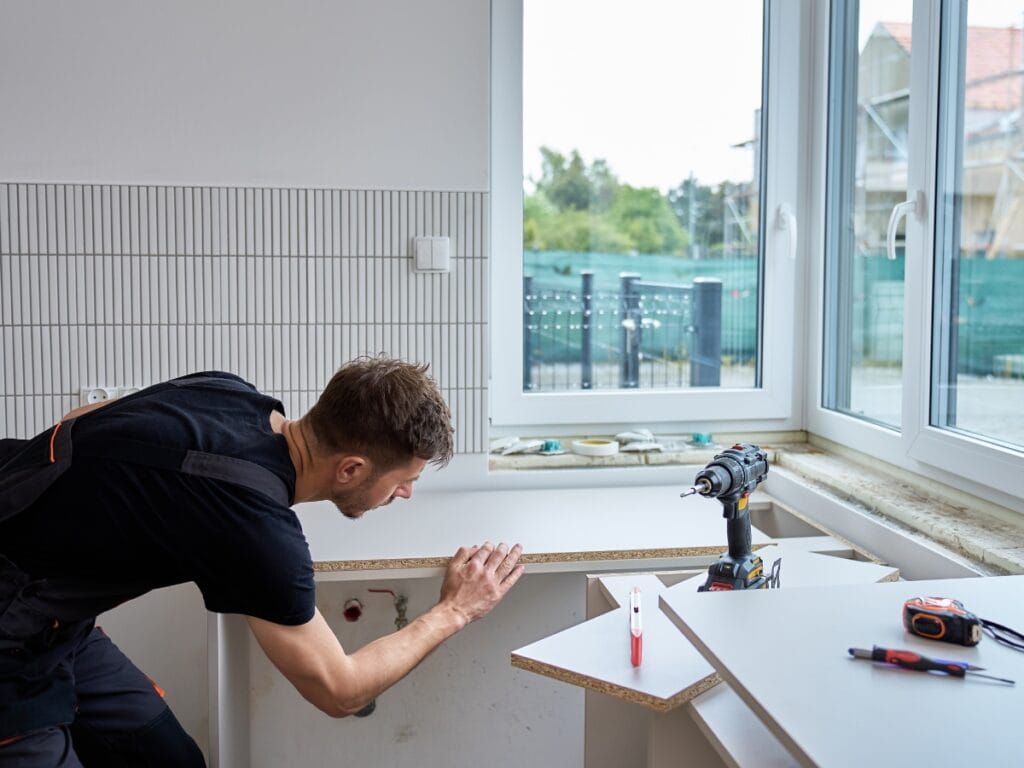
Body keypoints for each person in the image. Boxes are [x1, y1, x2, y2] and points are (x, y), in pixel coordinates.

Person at [0, 357, 524, 766]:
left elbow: (77, 420)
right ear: (351, 469)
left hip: (54, 619)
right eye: (403, 479)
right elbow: (339, 691)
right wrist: (455, 610)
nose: (407, 492)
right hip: (11, 639)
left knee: (165, 759)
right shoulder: (256, 528)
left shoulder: (229, 391)